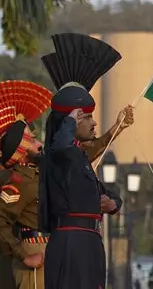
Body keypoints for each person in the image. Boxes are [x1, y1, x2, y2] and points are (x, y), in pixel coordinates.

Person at [38, 32, 124, 289]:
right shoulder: (59, 153)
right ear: (71, 120)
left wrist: (113, 204)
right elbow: (60, 146)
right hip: (70, 242)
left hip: (88, 241)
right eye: (86, 117)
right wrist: (69, 119)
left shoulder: (79, 156)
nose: (93, 122)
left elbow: (105, 193)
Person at [0, 81, 52, 289]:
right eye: (31, 140)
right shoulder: (16, 180)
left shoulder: (38, 173)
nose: (39, 144)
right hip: (29, 252)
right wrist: (23, 256)